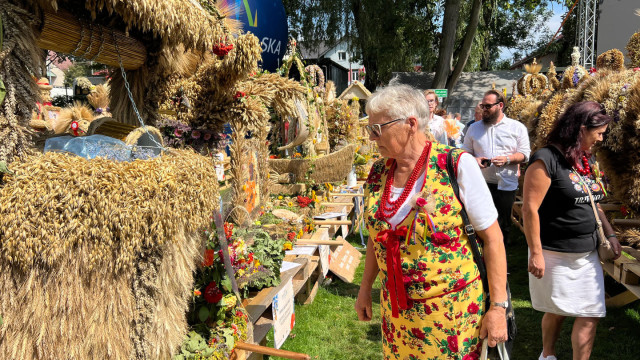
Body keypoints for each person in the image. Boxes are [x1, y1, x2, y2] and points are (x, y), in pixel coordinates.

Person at [355, 84, 508, 359]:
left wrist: (498, 307)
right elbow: (378, 239)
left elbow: (493, 238)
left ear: (410, 124)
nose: (370, 137)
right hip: (398, 316)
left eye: (376, 129)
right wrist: (365, 289)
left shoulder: (456, 164)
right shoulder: (378, 172)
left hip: (450, 315)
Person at [522, 101, 622, 360]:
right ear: (580, 129)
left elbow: (593, 202)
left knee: (591, 312)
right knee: (556, 310)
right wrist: (535, 252)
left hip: (587, 253)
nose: (601, 139)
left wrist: (610, 234)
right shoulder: (546, 159)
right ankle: (548, 354)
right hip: (554, 254)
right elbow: (530, 209)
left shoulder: (584, 159)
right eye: (598, 133)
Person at [463, 90, 530, 244]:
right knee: (479, 222)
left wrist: (508, 159)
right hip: (480, 183)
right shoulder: (474, 128)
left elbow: (525, 154)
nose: (484, 109)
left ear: (500, 105)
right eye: (482, 105)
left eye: (487, 106)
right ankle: (482, 260)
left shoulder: (517, 127)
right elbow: (464, 152)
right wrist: (475, 160)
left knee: (503, 224)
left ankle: (502, 262)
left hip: (505, 185)